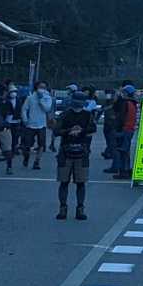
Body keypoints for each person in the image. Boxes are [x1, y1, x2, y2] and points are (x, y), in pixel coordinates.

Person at [53, 88, 95, 221]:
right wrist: (70, 131)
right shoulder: (66, 114)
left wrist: (79, 131)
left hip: (78, 151)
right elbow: (56, 131)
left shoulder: (85, 115)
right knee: (67, 182)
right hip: (69, 151)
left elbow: (92, 128)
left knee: (76, 182)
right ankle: (69, 208)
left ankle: (73, 209)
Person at [20, 81, 54, 170]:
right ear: (36, 88)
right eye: (40, 87)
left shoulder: (47, 98)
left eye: (44, 87)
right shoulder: (30, 98)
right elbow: (24, 109)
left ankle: (37, 162)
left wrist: (41, 99)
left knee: (41, 144)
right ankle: (26, 157)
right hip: (30, 124)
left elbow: (47, 109)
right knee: (27, 145)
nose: (42, 89)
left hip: (42, 125)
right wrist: (25, 119)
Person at [107, 84, 139, 179]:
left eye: (123, 92)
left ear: (127, 93)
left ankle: (123, 171)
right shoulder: (133, 103)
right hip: (130, 129)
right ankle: (126, 170)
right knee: (125, 151)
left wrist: (115, 128)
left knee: (122, 151)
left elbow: (120, 117)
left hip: (124, 129)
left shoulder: (125, 103)